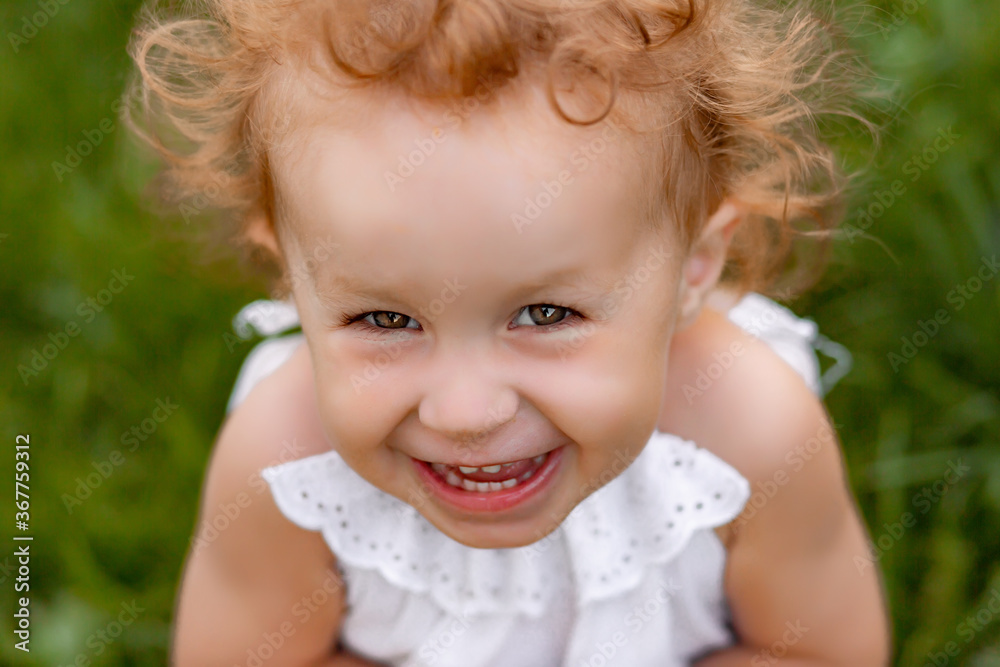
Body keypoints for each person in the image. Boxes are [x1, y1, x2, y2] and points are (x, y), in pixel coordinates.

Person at [126, 0, 891, 664]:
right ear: (292, 281)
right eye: (385, 319)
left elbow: (818, 648)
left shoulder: (751, 433)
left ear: (694, 269)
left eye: (546, 314)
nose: (464, 413)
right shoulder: (287, 468)